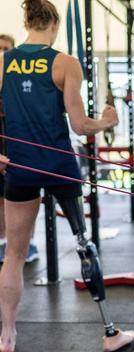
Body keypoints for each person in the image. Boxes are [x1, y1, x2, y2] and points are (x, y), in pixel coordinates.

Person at [0, 0, 134, 352]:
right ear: (55, 24)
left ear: (26, 21)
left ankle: (8, 335)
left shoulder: (2, 63)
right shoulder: (64, 62)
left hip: (20, 166)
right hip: (60, 165)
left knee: (13, 254)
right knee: (82, 243)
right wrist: (107, 120)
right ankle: (110, 332)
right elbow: (80, 125)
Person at [0, 33, 39, 264]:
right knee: (1, 198)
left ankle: (30, 243)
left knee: (27, 197)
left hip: (21, 144)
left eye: (6, 49)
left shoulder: (24, 79)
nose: (2, 53)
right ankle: (4, 241)